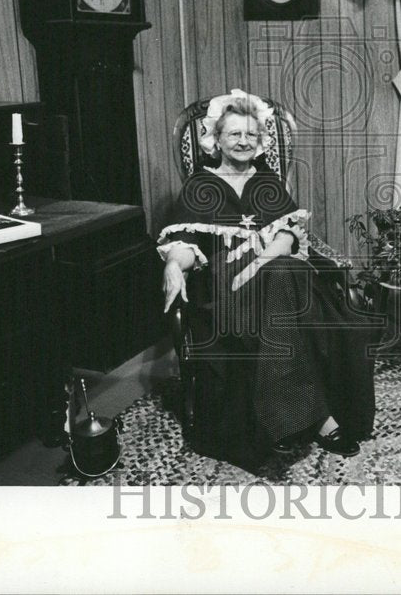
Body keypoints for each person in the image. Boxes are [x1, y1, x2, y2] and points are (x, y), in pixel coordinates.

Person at [158, 90, 376, 471]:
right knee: (288, 282)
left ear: (261, 143)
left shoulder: (268, 182)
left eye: (251, 136)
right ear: (216, 140)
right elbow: (187, 244)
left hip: (276, 275)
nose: (243, 142)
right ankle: (320, 418)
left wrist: (265, 257)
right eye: (234, 135)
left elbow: (288, 235)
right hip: (228, 286)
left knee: (284, 271)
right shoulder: (198, 187)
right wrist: (173, 265)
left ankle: (287, 417)